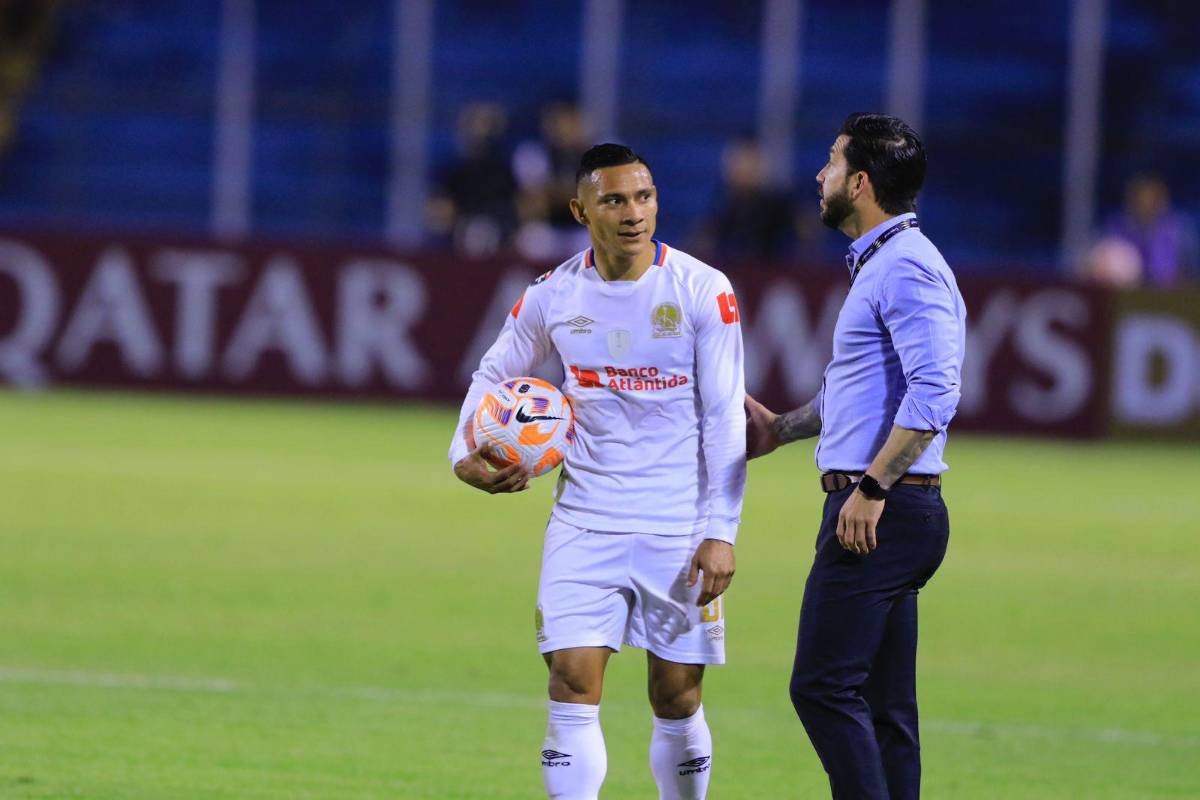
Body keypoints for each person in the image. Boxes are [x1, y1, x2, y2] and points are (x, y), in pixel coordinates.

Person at [449, 143, 747, 800]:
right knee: (571, 684)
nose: (633, 213)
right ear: (580, 209)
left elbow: (726, 415)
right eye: (614, 200)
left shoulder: (703, 289)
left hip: (678, 523)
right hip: (584, 520)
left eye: (643, 197)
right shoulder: (554, 295)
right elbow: (493, 376)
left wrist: (721, 529)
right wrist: (461, 456)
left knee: (677, 694)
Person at [745, 113, 966, 799]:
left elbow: (935, 392)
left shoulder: (907, 268)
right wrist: (781, 429)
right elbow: (862, 397)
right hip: (893, 507)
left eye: (832, 162)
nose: (820, 174)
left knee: (820, 688)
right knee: (884, 708)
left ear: (861, 182)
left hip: (882, 511)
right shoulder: (887, 264)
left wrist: (870, 488)